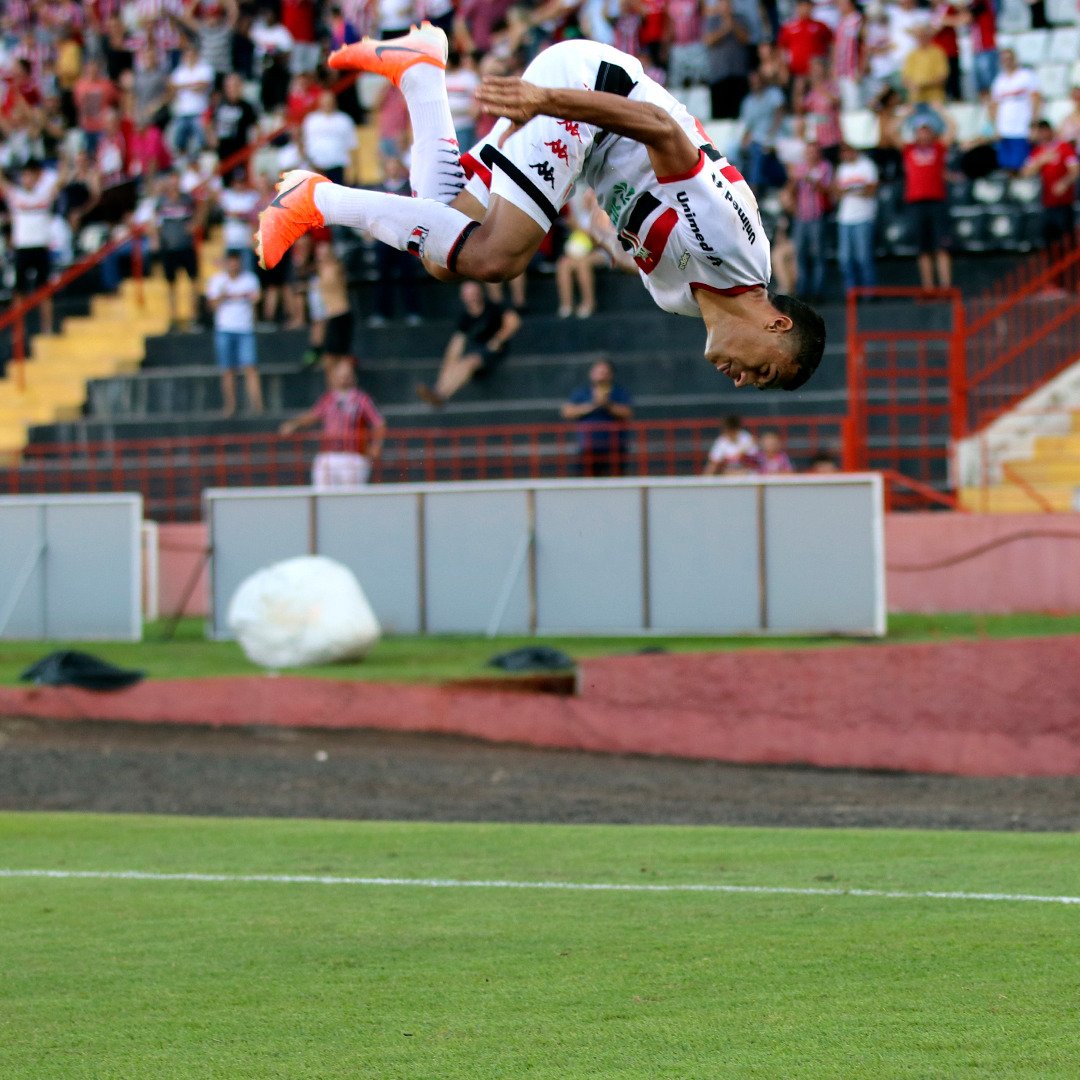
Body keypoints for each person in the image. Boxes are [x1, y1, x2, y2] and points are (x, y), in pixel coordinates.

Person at [256, 23, 826, 393]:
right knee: (497, 256)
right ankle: (314, 198)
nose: (744, 382)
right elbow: (660, 128)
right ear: (777, 323)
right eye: (765, 370)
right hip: (592, 94)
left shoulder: (684, 303)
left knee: (443, 252)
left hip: (583, 146)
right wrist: (546, 100)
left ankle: (421, 72)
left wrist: (597, 224)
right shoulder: (735, 247)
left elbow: (639, 224)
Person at [280, 356, 386, 489]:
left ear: (353, 376)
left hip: (353, 454)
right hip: (329, 454)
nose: (343, 378)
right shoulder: (328, 398)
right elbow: (313, 415)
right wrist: (294, 424)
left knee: (351, 497)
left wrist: (376, 445)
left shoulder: (362, 399)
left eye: (347, 374)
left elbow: (378, 423)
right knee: (322, 490)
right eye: (340, 374)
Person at [416, 279, 521, 407]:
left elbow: (514, 321)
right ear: (463, 298)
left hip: (495, 351)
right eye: (468, 295)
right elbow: (455, 346)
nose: (472, 298)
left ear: (480, 293)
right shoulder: (465, 318)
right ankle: (438, 391)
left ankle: (441, 394)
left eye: (474, 293)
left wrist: (498, 339)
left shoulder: (493, 308)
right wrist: (448, 366)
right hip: (478, 352)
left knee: (469, 362)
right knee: (458, 362)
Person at [0, 159, 59, 333]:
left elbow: (61, 179)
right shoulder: (16, 195)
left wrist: (63, 157)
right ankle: (18, 331)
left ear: (37, 177)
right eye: (24, 176)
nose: (27, 179)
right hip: (22, 248)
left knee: (44, 290)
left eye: (30, 176)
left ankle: (46, 329)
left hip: (40, 247)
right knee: (19, 291)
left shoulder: (44, 194)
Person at [206, 250, 264, 417]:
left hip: (245, 329)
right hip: (224, 329)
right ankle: (230, 407)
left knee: (250, 368)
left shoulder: (250, 279)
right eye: (230, 261)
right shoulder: (217, 281)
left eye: (236, 261)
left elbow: (257, 299)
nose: (233, 265)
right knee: (227, 370)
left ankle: (258, 406)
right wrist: (223, 295)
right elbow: (212, 307)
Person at [561, 358, 634, 477]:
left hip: (614, 447)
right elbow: (567, 412)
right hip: (588, 446)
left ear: (611, 375)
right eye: (598, 372)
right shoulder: (582, 392)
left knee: (616, 482)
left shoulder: (619, 392)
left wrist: (607, 405)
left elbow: (627, 413)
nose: (601, 376)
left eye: (605, 373)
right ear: (591, 374)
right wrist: (592, 405)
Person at [147, 170, 202, 330]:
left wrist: (195, 224)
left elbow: (201, 209)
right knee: (171, 283)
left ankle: (194, 316)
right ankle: (173, 316)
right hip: (169, 247)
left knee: (193, 280)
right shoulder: (161, 201)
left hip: (186, 246)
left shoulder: (187, 199)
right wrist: (155, 238)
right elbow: (154, 221)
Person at [902, 117, 952, 290]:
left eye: (927, 130)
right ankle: (928, 288)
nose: (923, 134)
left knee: (942, 247)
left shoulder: (938, 148)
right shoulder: (908, 150)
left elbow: (952, 129)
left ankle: (946, 287)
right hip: (916, 202)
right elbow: (890, 134)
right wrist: (905, 114)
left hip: (937, 201)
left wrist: (940, 111)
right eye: (920, 130)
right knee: (923, 249)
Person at [1020, 119, 1079, 250]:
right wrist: (1041, 161)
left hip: (1064, 203)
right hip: (1047, 203)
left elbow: (1075, 170)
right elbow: (1025, 172)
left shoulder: (1064, 148)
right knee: (1050, 241)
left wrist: (1064, 182)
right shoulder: (1038, 151)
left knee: (1067, 240)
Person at [786, 140, 833, 302]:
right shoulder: (800, 168)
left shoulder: (825, 167)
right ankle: (802, 290)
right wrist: (794, 180)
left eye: (814, 151)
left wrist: (812, 180)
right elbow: (791, 191)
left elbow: (827, 190)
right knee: (801, 254)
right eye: (809, 151)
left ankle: (818, 291)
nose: (811, 155)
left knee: (818, 254)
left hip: (817, 215)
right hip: (801, 216)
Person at [833, 142, 878, 293]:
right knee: (845, 259)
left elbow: (871, 190)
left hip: (863, 217)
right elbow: (837, 193)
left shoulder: (867, 166)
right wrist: (856, 190)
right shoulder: (842, 169)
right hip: (845, 218)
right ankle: (851, 292)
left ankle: (869, 292)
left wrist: (849, 191)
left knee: (863, 258)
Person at [990, 49, 1041, 175]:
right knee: (1005, 166)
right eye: (1004, 59)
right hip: (1005, 128)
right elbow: (994, 105)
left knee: (1021, 165)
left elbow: (1036, 99)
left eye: (1009, 58)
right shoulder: (999, 81)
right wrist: (996, 126)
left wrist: (1034, 123)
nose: (1007, 62)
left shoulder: (1026, 76)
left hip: (1021, 128)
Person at [300, 88, 358, 184]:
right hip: (316, 167)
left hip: (338, 167)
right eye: (325, 102)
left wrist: (354, 170)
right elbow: (304, 144)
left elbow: (352, 146)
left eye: (330, 101)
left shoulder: (344, 119)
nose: (327, 104)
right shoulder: (311, 120)